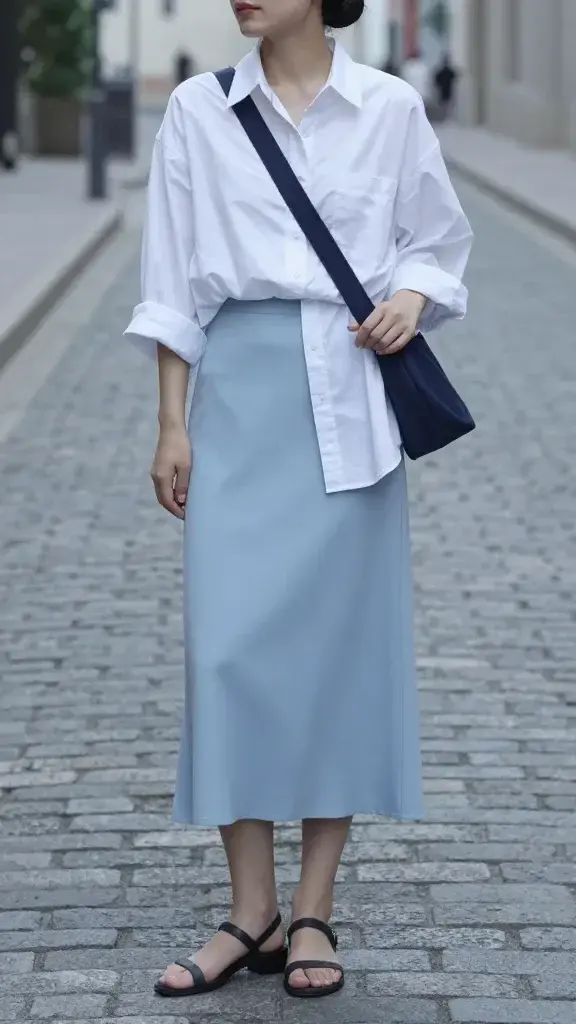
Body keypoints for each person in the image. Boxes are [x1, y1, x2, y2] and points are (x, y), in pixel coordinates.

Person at [124, 0, 472, 1003]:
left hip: (350, 401)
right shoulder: (198, 109)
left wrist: (411, 297)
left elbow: (438, 241)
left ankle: (312, 907)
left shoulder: (389, 107)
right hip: (238, 401)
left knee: (336, 659)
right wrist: (172, 421)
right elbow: (172, 276)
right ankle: (251, 910)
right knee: (225, 652)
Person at [433, 53, 458, 121]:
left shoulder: (441, 71)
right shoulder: (449, 71)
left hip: (443, 89)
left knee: (444, 104)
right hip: (447, 89)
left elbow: (436, 80)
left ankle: (444, 117)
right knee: (448, 104)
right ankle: (447, 117)